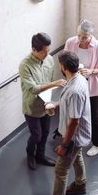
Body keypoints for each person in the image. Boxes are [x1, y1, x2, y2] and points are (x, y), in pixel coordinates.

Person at [48, 51, 92, 195]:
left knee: (60, 171)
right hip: (77, 137)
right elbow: (70, 104)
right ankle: (81, 184)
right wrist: (56, 103)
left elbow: (74, 122)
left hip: (73, 137)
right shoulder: (79, 78)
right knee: (77, 156)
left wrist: (64, 145)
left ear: (63, 67)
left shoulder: (74, 91)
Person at [18, 32, 66, 170]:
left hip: (46, 104)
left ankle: (40, 156)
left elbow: (49, 81)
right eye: (44, 52)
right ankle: (30, 155)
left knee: (45, 133)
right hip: (32, 107)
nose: (47, 55)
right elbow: (33, 89)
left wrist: (50, 102)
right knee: (36, 135)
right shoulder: (24, 65)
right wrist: (55, 83)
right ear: (34, 49)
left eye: (48, 51)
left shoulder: (49, 59)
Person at [64, 19, 98, 157]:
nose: (80, 39)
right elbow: (65, 60)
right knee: (74, 113)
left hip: (90, 86)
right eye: (78, 35)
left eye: (84, 37)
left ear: (91, 35)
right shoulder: (71, 42)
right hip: (74, 83)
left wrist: (91, 71)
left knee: (92, 116)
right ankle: (73, 138)